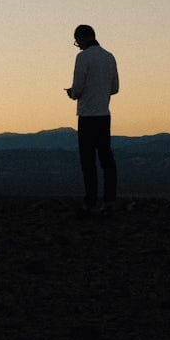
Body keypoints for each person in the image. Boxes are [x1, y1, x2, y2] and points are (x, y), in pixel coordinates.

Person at [65, 24, 120, 213]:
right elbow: (115, 88)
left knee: (88, 161)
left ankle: (90, 201)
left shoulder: (82, 58)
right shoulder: (109, 57)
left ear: (82, 38)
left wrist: (73, 93)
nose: (77, 45)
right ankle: (110, 199)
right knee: (106, 159)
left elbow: (78, 87)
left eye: (77, 41)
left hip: (87, 116)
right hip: (104, 115)